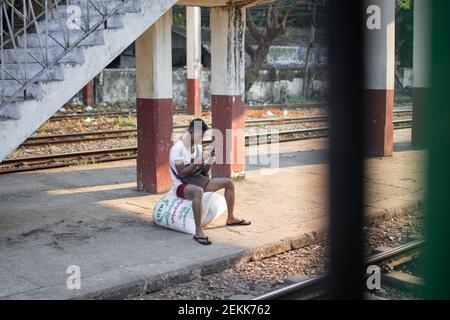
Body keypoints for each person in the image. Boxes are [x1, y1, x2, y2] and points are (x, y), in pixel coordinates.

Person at [169, 118, 251, 245]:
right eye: (198, 135)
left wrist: (210, 158)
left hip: (197, 180)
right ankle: (198, 231)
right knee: (198, 192)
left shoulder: (197, 147)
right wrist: (199, 159)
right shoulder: (177, 149)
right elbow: (182, 173)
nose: (200, 138)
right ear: (190, 130)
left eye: (202, 136)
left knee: (229, 183)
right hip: (181, 185)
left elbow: (204, 173)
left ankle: (231, 217)